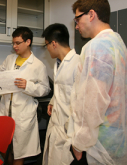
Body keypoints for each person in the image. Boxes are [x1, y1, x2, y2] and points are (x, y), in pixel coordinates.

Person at [62, 0, 127, 165]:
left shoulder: (96, 47)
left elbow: (92, 103)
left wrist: (79, 144)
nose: (77, 26)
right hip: (115, 146)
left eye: (77, 19)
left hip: (97, 148)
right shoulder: (117, 42)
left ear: (91, 14)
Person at [0, 27, 50, 165]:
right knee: (1, 143)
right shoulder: (10, 59)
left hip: (23, 113)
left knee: (20, 151)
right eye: (13, 43)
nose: (14, 46)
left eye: (18, 43)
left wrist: (28, 86)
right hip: (5, 109)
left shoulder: (38, 65)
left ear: (28, 41)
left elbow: (45, 89)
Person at [41, 23, 80, 165]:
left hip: (68, 131)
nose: (47, 50)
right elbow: (63, 89)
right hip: (56, 125)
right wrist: (53, 101)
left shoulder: (78, 63)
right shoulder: (58, 63)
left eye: (46, 45)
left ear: (53, 43)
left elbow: (81, 101)